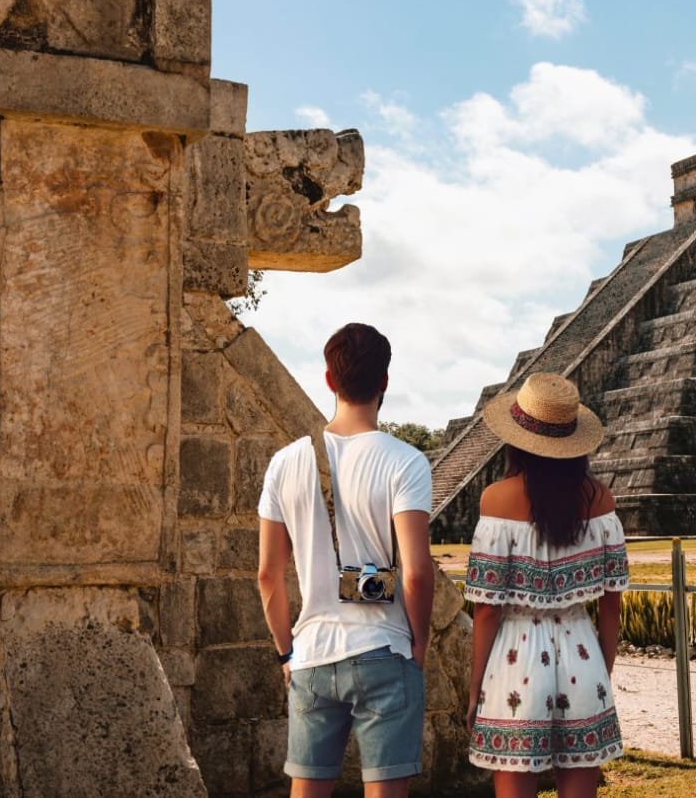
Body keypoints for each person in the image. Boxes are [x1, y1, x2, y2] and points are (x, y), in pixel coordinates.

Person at [256, 323, 436, 798]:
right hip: (384, 647)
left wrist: (285, 653)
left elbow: (267, 574)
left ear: (329, 380)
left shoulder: (285, 462)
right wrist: (419, 645)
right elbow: (417, 572)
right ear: (385, 382)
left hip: (312, 654)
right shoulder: (405, 461)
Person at [464, 372, 628, 798]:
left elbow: (486, 609)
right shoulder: (601, 501)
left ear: (517, 438)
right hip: (582, 656)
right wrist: (601, 675)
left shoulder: (496, 500)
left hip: (515, 665)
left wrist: (474, 687)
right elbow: (612, 607)